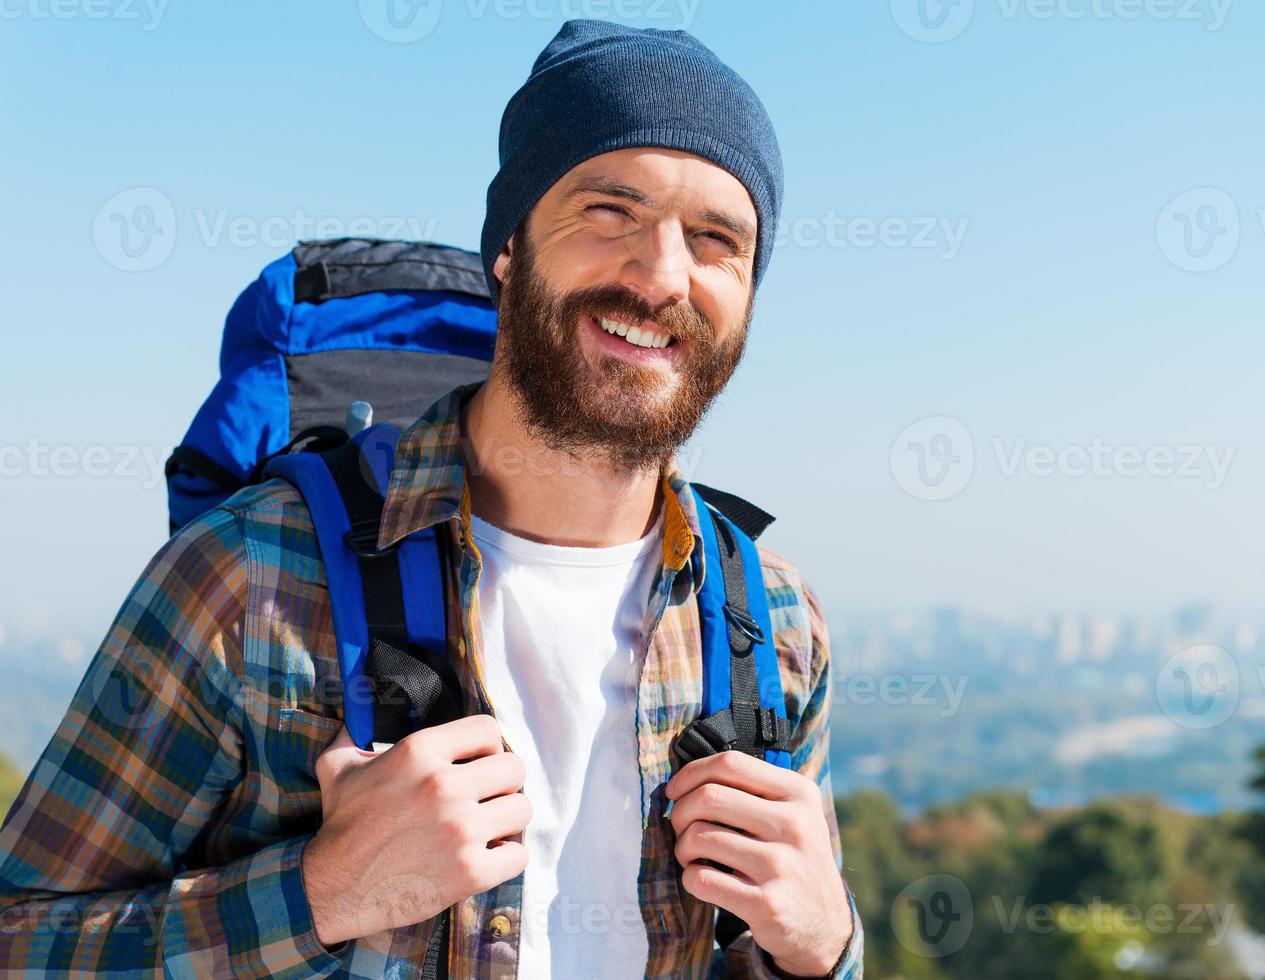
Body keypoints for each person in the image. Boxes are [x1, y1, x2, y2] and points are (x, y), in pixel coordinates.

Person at [0, 18, 862, 979]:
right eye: (609, 211)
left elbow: (781, 945)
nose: (662, 275)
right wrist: (323, 893)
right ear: (507, 254)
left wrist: (824, 947)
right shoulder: (250, 577)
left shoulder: (772, 621)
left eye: (717, 240)